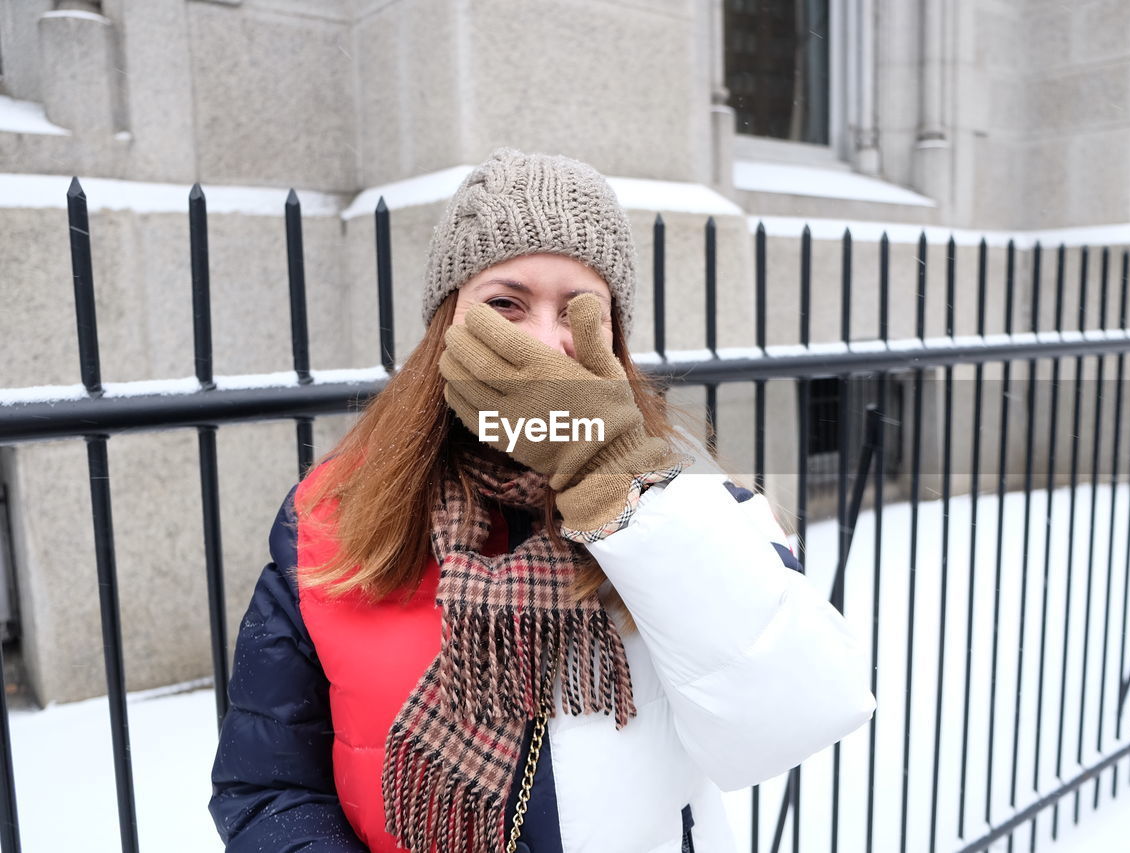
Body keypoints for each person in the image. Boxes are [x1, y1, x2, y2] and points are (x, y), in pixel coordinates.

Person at [209, 148, 875, 853]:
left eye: (580, 313)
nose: (547, 343)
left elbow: (793, 715)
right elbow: (267, 788)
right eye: (505, 303)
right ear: (447, 323)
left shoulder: (689, 497)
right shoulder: (332, 517)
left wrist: (618, 479)